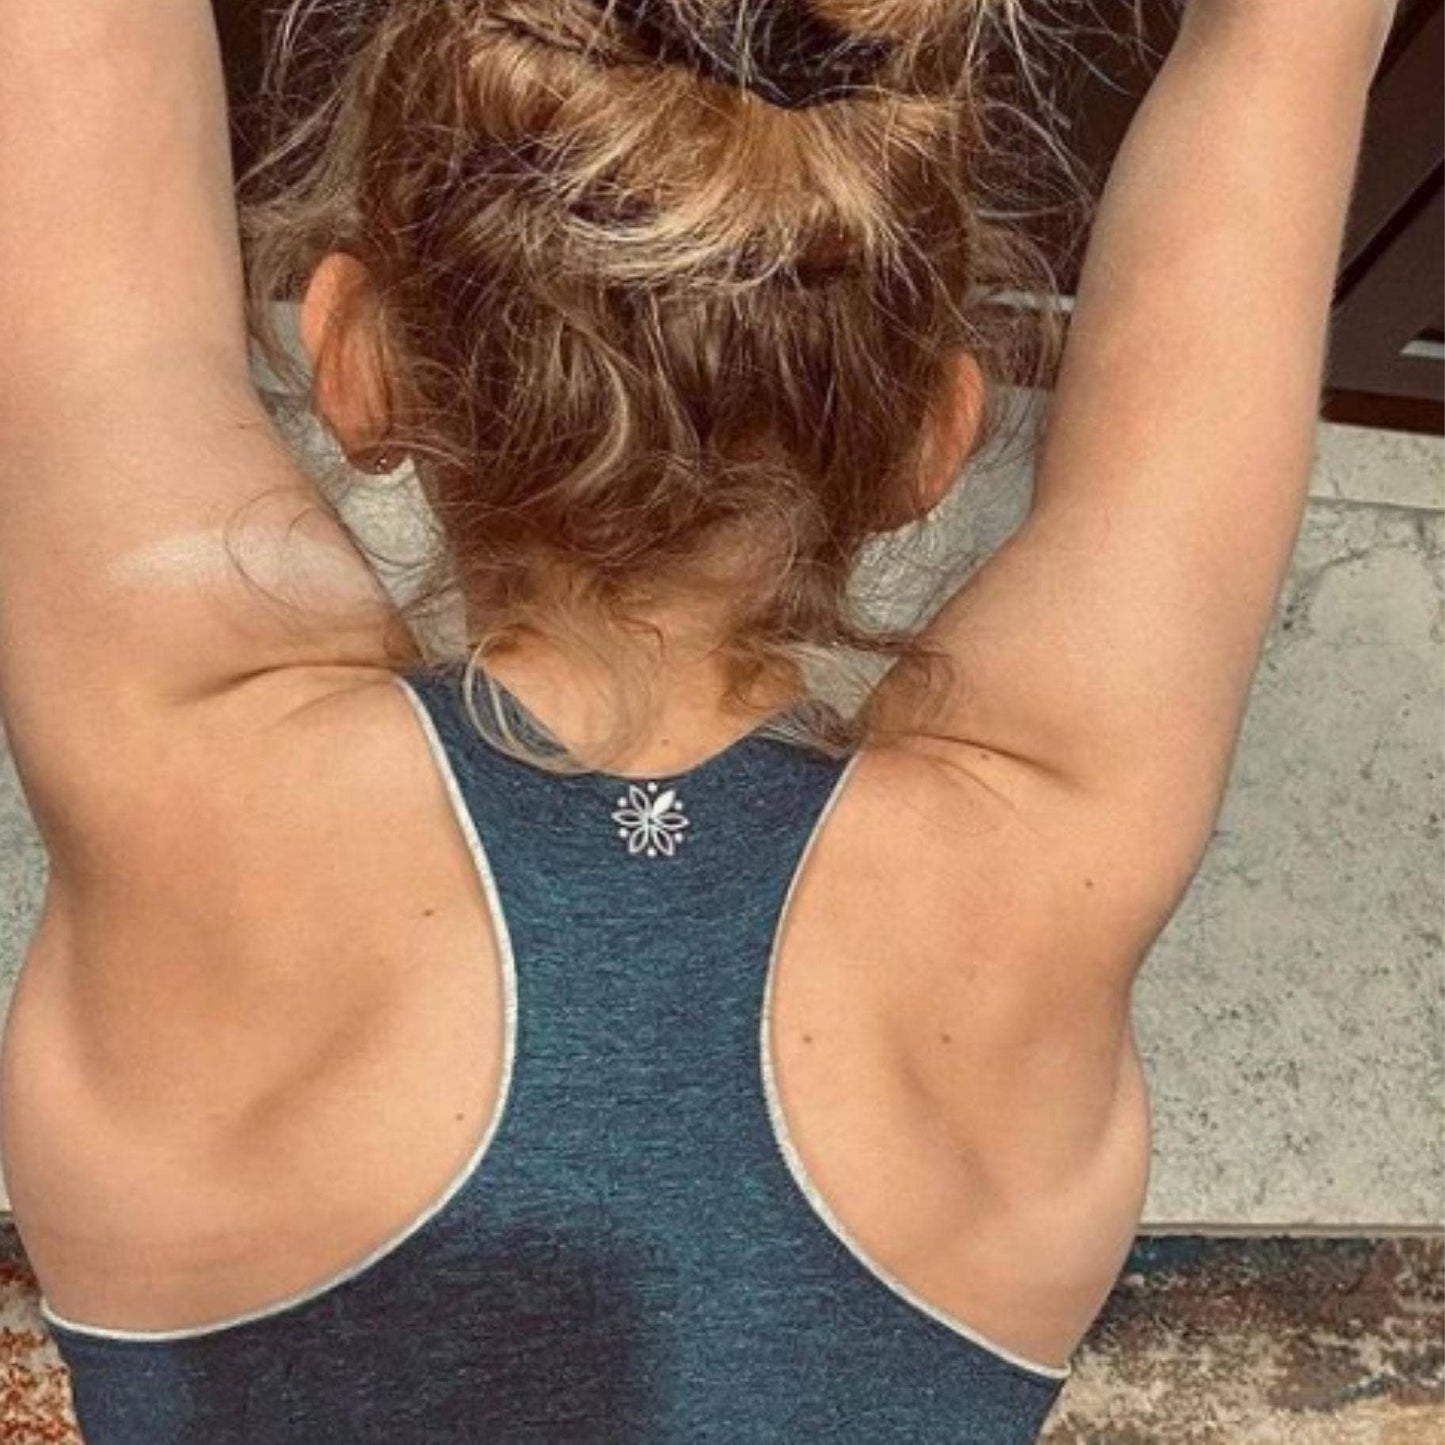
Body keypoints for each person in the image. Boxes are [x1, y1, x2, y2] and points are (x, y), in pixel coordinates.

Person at [0, 0, 1398, 1440]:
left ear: (350, 357)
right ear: (933, 438)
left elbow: (84, 72)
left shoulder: (193, 767)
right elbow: (1286, 55)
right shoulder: (1039, 856)